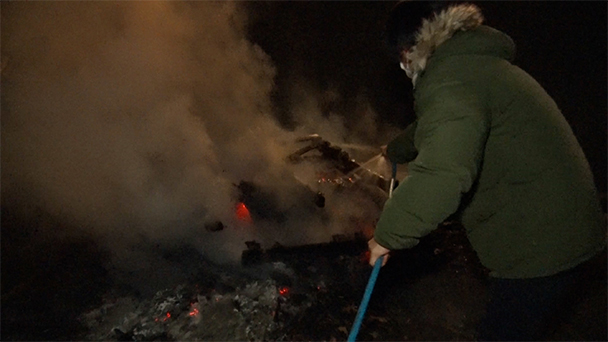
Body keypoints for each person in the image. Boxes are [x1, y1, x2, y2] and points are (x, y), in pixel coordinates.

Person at [368, 1, 607, 340]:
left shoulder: (450, 83)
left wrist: (387, 235)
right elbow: (441, 126)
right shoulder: (474, 68)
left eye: (401, 59)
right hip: (566, 230)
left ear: (408, 50)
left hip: (542, 247)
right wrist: (395, 150)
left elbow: (444, 173)